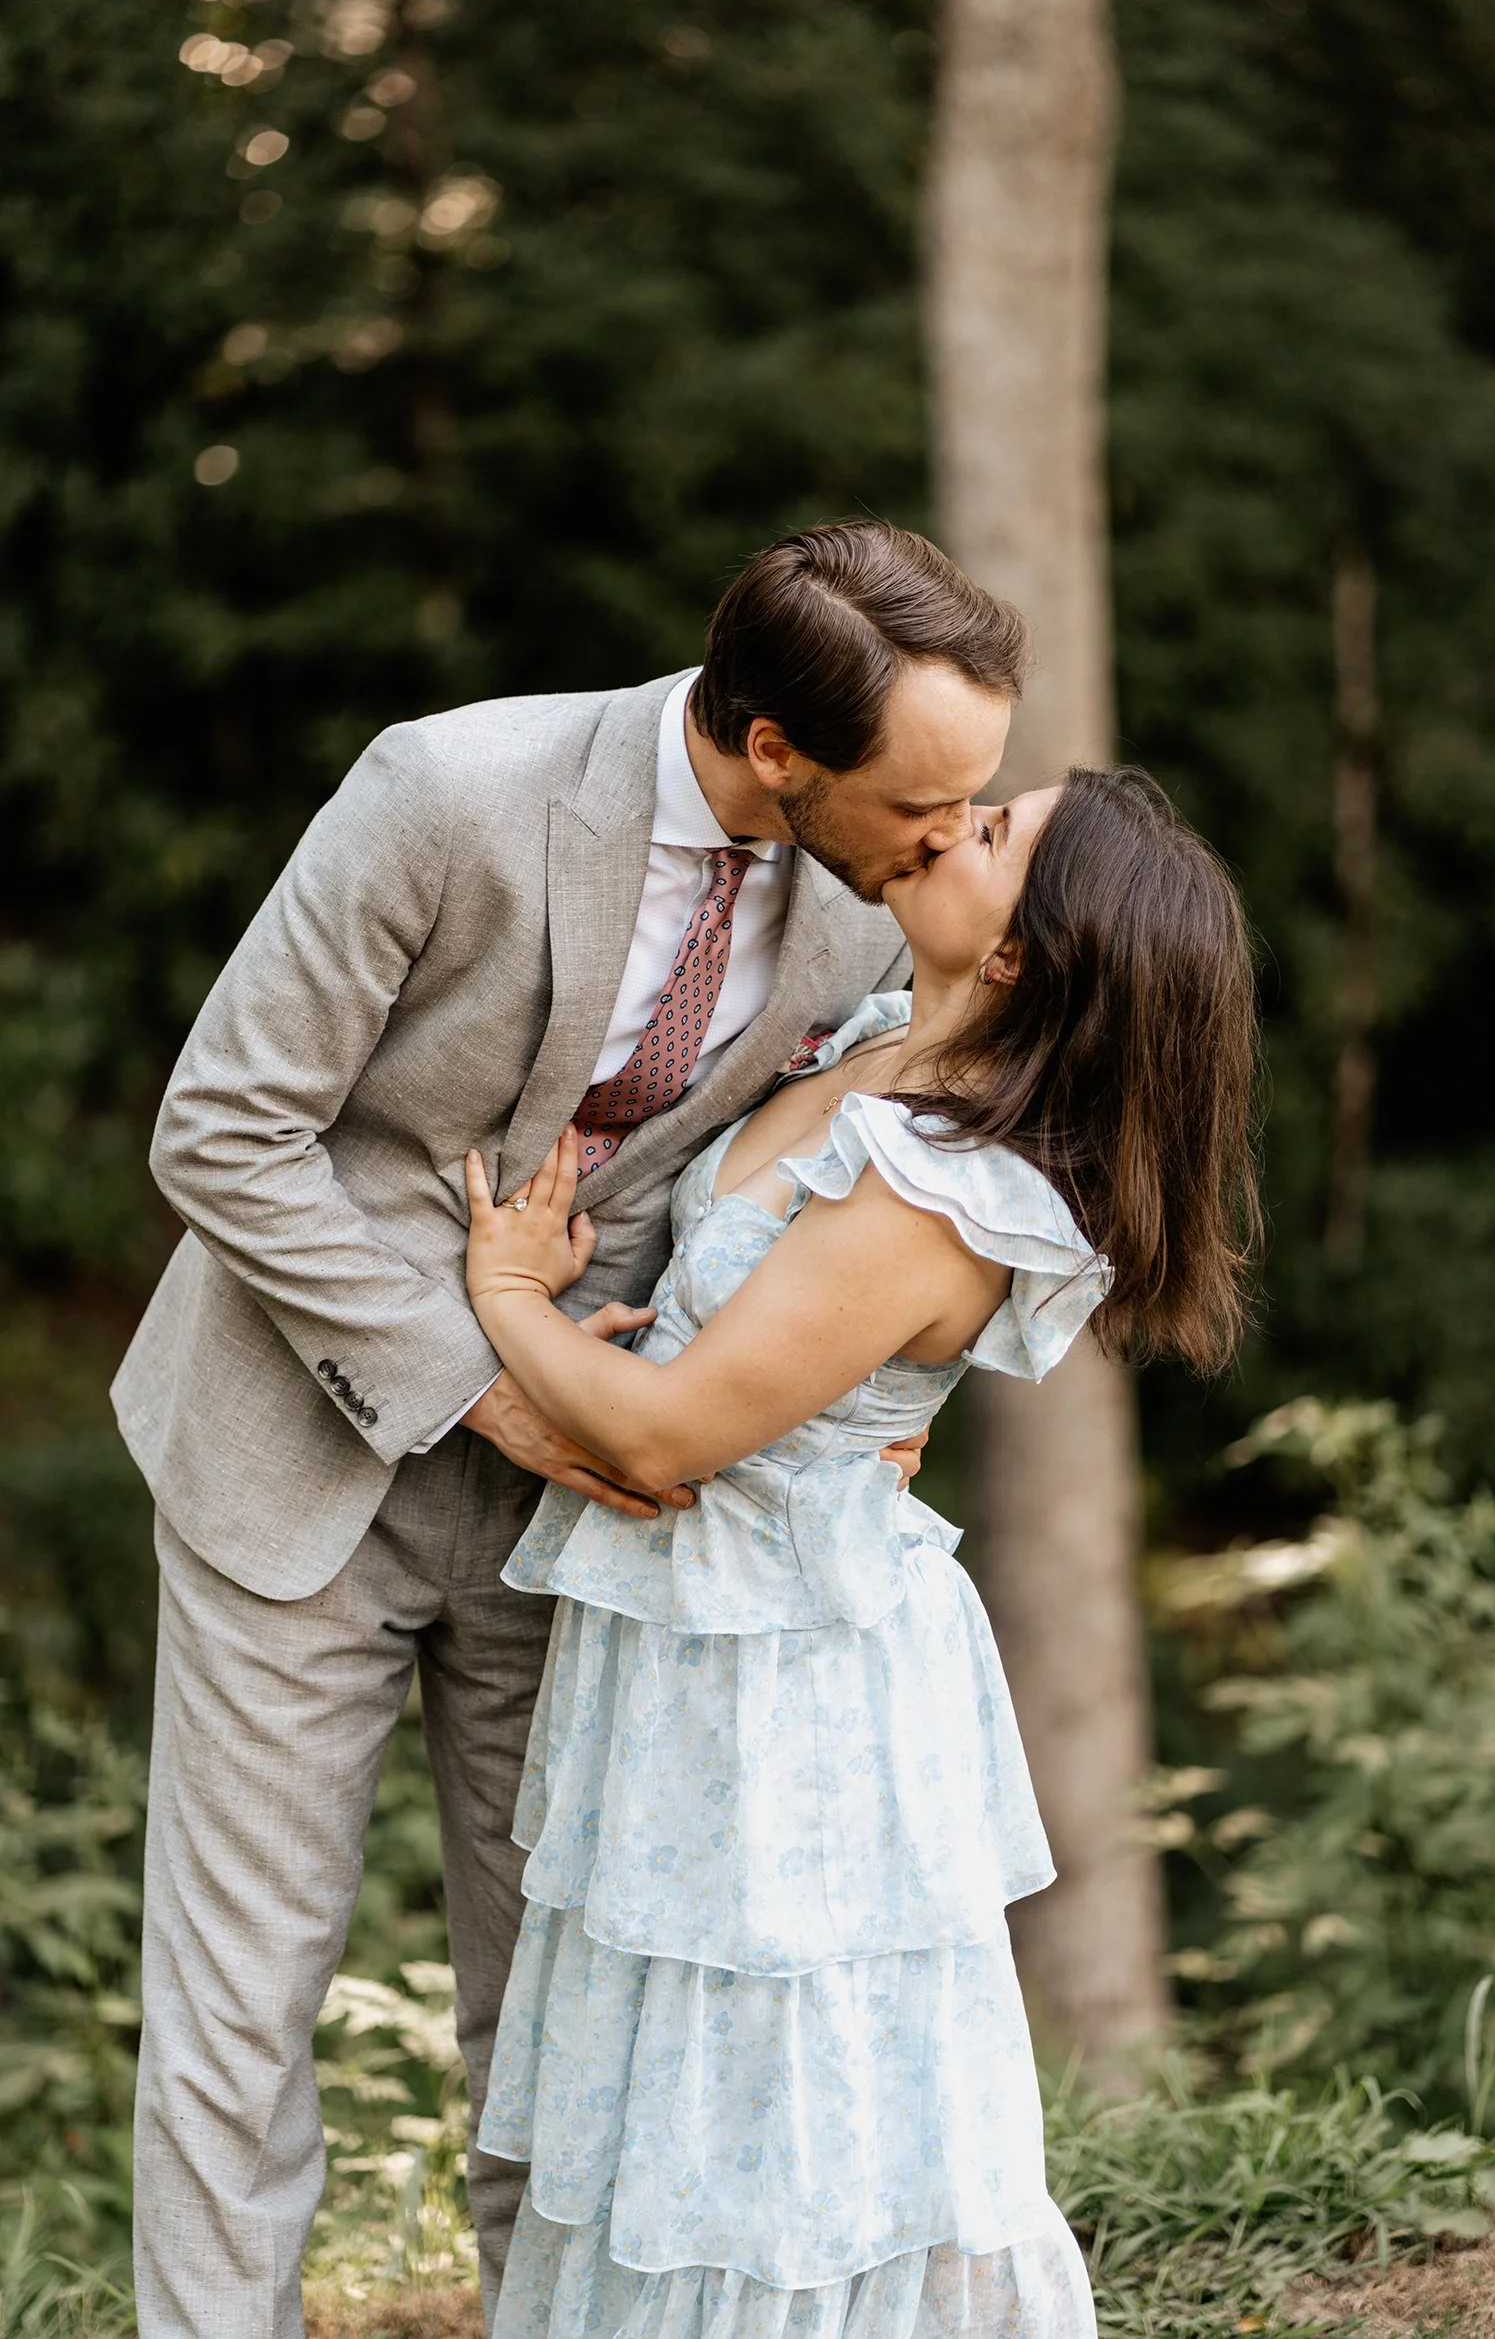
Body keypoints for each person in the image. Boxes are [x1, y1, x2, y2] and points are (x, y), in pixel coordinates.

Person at [111, 521, 1033, 2339]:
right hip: (298, 1455)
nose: (945, 839)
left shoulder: (870, 895)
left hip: (609, 1508)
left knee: (558, 2004)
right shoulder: (447, 789)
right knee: (240, 2007)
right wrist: (481, 1377)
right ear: (774, 747)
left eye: (972, 801)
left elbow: (879, 1161)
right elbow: (219, 1129)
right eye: (917, 802)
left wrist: (873, 1392)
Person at [460, 765, 1260, 2339]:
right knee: (686, 2091)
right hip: (702, 1637)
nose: (947, 818)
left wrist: (502, 1303)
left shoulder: (943, 1188)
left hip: (790, 1678)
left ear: (1025, 951)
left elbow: (662, 1434)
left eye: (990, 835)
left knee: (784, 2108)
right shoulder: (866, 1040)